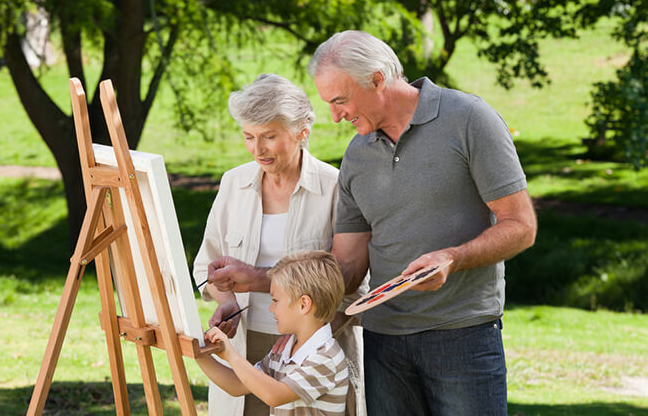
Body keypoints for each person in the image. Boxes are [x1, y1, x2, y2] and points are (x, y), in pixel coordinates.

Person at [303, 30, 538, 415]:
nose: (335, 116)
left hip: (462, 336)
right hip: (383, 342)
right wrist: (272, 287)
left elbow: (521, 226)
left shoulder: (469, 119)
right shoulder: (356, 156)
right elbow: (346, 265)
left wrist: (452, 258)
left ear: (378, 79)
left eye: (341, 100)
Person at [193, 74, 367, 416]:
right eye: (249, 137)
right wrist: (226, 301)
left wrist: (260, 282)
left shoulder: (335, 188)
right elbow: (205, 265)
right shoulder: (234, 183)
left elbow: (353, 284)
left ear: (302, 131)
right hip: (242, 345)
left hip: (312, 355)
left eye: (269, 137)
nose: (258, 149)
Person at [197, 251, 349, 416]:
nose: (271, 308)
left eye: (275, 300)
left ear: (303, 304)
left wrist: (231, 356)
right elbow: (236, 385)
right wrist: (198, 352)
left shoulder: (326, 357)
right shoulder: (284, 351)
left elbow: (275, 395)